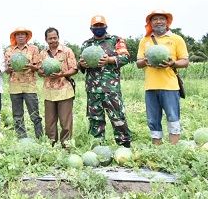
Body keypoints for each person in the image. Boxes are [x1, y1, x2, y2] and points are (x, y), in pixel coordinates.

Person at [136, 9, 189, 145]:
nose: (158, 21)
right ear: (150, 23)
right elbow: (139, 63)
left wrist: (173, 63)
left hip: (170, 86)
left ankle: (173, 149)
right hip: (151, 87)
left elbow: (185, 61)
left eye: (161, 18)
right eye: (155, 19)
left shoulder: (176, 39)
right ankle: (157, 149)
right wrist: (145, 62)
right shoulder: (145, 41)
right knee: (153, 120)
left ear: (167, 22)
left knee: (173, 117)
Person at [78, 15, 132, 148]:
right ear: (91, 28)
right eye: (95, 26)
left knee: (118, 117)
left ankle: (124, 145)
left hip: (111, 88)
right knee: (95, 119)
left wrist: (110, 60)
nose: (98, 28)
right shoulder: (86, 44)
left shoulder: (115, 40)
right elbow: (80, 64)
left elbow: (125, 57)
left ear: (106, 26)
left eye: (101, 25)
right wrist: (82, 65)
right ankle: (98, 146)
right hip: (93, 89)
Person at [38, 27, 77, 147]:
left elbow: (74, 69)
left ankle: (66, 146)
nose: (53, 40)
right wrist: (43, 73)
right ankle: (52, 146)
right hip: (49, 92)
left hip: (64, 91)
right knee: (49, 123)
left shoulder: (67, 51)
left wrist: (62, 74)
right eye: (50, 38)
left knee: (65, 122)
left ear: (58, 37)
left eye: (55, 37)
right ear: (46, 39)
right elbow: (39, 70)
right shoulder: (43, 53)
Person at [3, 27, 43, 139]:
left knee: (35, 114)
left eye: (23, 34)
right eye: (18, 34)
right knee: (17, 115)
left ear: (27, 36)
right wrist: (11, 68)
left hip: (30, 86)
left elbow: (38, 67)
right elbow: (6, 70)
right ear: (15, 37)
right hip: (14, 86)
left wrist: (31, 66)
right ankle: (22, 138)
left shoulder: (34, 49)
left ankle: (40, 137)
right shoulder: (9, 50)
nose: (20, 36)